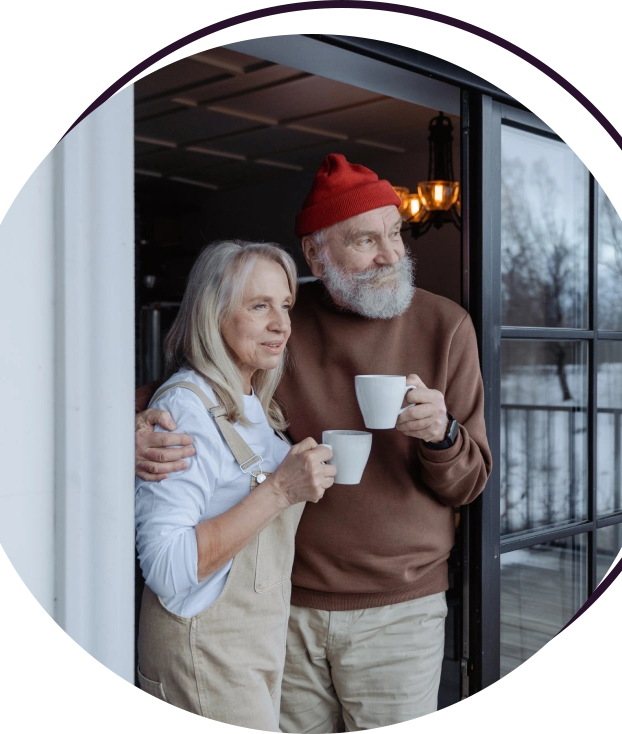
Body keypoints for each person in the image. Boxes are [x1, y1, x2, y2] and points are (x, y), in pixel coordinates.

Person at [136, 155, 492, 732]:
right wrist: (128, 432)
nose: (392, 254)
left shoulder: (446, 326)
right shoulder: (281, 327)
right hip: (285, 609)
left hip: (399, 612)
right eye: (365, 240)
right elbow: (188, 388)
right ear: (316, 256)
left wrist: (442, 434)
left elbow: (471, 481)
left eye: (395, 233)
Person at [134, 240, 336, 732]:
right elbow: (166, 567)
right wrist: (281, 491)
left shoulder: (254, 407)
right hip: (203, 654)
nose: (281, 324)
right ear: (212, 313)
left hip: (248, 649)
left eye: (285, 305)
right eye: (259, 305)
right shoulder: (185, 409)